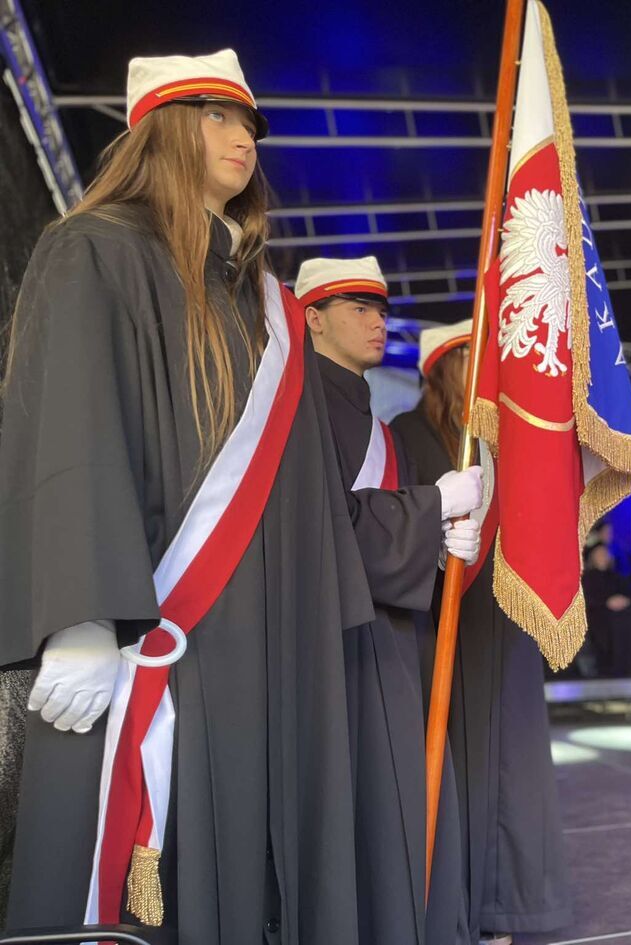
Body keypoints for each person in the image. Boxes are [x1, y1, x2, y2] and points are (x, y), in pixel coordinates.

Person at [0, 49, 375, 941]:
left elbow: (304, 490)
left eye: (248, 122)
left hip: (263, 648)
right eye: (216, 115)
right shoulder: (92, 249)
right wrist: (81, 613)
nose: (243, 136)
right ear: (163, 129)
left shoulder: (268, 307)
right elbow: (69, 432)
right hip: (143, 639)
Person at [297, 255, 480, 944]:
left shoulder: (371, 419)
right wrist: (431, 505)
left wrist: (437, 542)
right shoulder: (296, 409)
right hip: (337, 643)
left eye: (380, 309)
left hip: (394, 638)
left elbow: (375, 524)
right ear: (314, 319)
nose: (378, 321)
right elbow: (322, 527)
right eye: (357, 308)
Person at [391, 320, 572, 940]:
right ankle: (452, 907)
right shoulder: (407, 434)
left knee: (512, 765)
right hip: (442, 618)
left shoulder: (501, 439)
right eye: (469, 354)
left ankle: (507, 906)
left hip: (503, 617)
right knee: (454, 766)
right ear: (442, 366)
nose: (483, 365)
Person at [581, 544, 631, 676]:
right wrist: (606, 603)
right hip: (598, 614)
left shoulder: (616, 576)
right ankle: (615, 669)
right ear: (592, 557)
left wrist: (624, 600)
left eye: (605, 553)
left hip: (621, 612)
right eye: (599, 554)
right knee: (615, 622)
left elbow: (630, 593)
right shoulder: (586, 578)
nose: (603, 556)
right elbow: (587, 600)